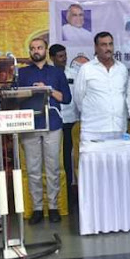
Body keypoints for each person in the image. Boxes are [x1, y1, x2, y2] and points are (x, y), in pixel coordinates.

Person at [18, 38, 72, 225]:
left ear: (45, 50)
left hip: (53, 124)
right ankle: (37, 208)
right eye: (32, 48)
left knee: (53, 168)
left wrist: (47, 90)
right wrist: (30, 91)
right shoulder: (22, 73)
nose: (36, 51)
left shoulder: (57, 72)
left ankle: (54, 206)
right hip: (30, 125)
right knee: (33, 169)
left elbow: (66, 98)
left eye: (39, 47)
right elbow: (15, 97)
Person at [74, 32, 129, 142]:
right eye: (104, 45)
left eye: (110, 44)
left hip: (118, 128)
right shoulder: (86, 69)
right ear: (96, 47)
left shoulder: (122, 69)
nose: (108, 48)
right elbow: (79, 98)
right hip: (93, 130)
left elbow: (126, 95)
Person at [48, 44, 79, 206]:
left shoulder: (74, 73)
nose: (64, 59)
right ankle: (59, 195)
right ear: (52, 58)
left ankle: (70, 193)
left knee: (69, 158)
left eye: (65, 55)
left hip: (70, 121)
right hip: (54, 122)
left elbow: (78, 96)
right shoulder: (48, 74)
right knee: (56, 159)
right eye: (60, 56)